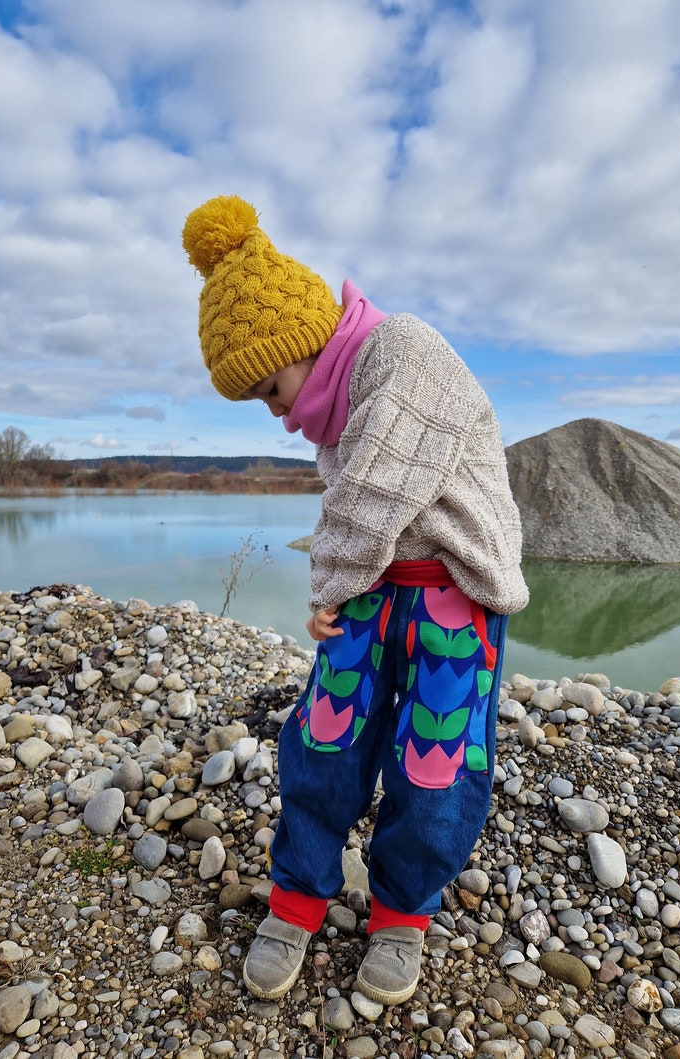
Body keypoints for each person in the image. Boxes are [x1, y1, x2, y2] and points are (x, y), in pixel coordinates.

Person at [182, 194, 529, 1005]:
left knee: (435, 762)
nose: (277, 415)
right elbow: (354, 512)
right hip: (374, 588)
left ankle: (402, 910)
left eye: (271, 389)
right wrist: (339, 591)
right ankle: (299, 895)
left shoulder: (403, 353)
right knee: (326, 735)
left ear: (305, 342)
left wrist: (326, 586)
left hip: (455, 589)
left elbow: (370, 498)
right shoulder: (337, 405)